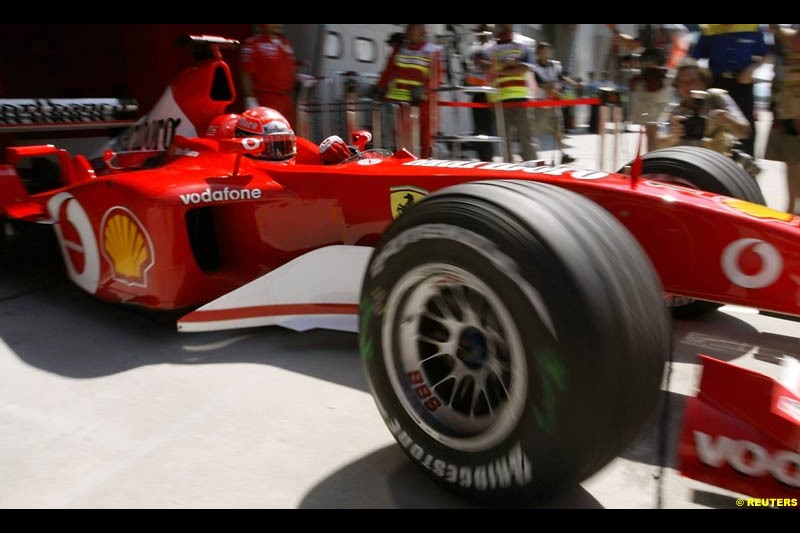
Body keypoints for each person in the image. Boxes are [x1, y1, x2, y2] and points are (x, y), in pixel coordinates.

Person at [647, 60, 753, 170]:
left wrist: (728, 121)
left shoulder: (717, 99)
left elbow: (745, 132)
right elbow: (657, 144)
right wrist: (672, 137)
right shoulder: (675, 112)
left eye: (692, 81)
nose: (687, 86)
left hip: (719, 166)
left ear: (703, 82)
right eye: (682, 83)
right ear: (677, 87)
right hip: (687, 166)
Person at [690, 24, 768, 156]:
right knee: (713, 127)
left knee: (745, 129)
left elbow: (764, 55)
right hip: (716, 85)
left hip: (743, 84)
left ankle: (746, 171)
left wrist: (751, 69)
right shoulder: (710, 28)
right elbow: (694, 58)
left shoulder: (752, 27)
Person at [375, 24, 443, 158]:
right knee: (402, 137)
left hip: (423, 103)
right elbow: (389, 70)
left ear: (421, 31)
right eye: (408, 29)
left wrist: (424, 90)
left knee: (425, 136)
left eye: (412, 29)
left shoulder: (433, 51)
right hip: (402, 103)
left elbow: (436, 76)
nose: (408, 32)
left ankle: (425, 163)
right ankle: (404, 163)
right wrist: (380, 87)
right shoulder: (400, 49)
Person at [488, 23, 537, 162]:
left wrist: (502, 69)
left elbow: (525, 68)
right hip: (500, 98)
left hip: (520, 97)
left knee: (526, 136)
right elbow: (488, 68)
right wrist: (510, 66)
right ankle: (508, 168)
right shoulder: (490, 46)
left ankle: (532, 166)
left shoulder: (524, 43)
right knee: (505, 139)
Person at [765, 25, 800, 214]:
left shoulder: (790, 36)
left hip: (795, 108)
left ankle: (793, 208)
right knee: (791, 162)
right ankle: (792, 207)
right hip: (786, 106)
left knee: (795, 163)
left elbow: (795, 40)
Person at [240, 24, 298, 129]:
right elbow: (246, 74)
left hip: (286, 100)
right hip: (267, 100)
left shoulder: (286, 43)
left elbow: (289, 70)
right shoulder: (253, 44)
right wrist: (250, 100)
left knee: (290, 136)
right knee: (270, 136)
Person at [531, 41, 576, 164]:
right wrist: (558, 94)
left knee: (558, 128)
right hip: (540, 103)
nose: (546, 54)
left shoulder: (555, 65)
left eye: (548, 51)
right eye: (543, 52)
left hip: (554, 102)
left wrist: (573, 83)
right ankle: (531, 153)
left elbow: (561, 77)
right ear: (538, 53)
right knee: (536, 129)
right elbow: (541, 84)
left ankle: (562, 154)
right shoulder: (534, 68)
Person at [464, 24, 496, 162]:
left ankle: (487, 157)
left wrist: (484, 63)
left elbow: (493, 67)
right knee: (478, 126)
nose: (482, 34)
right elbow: (469, 67)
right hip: (475, 91)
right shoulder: (473, 48)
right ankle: (482, 155)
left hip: (488, 92)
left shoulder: (493, 47)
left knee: (487, 127)